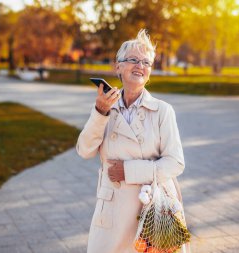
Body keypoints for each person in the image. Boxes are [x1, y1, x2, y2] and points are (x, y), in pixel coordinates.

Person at [76, 29, 190, 253]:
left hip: (152, 210)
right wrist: (100, 112)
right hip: (112, 211)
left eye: (146, 62)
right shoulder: (105, 106)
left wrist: (129, 171)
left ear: (149, 72)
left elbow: (176, 163)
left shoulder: (162, 111)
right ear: (118, 66)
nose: (140, 65)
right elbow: (84, 150)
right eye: (133, 60)